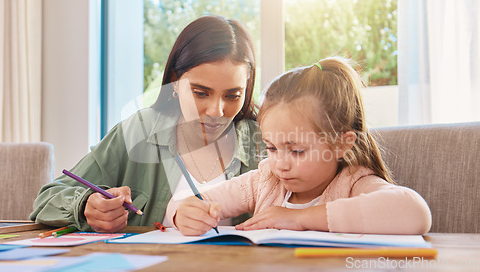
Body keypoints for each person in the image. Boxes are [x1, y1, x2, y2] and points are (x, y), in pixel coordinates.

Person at [30, 15, 265, 233]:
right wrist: (85, 205)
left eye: (232, 95)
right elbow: (47, 199)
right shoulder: (139, 131)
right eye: (201, 93)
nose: (217, 111)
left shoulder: (266, 144)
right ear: (174, 82)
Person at [167, 57, 432, 236]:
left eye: (296, 151)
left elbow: (415, 212)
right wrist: (183, 213)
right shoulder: (265, 181)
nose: (280, 163)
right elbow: (185, 201)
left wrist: (299, 219)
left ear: (342, 144)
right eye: (271, 148)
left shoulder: (352, 183)